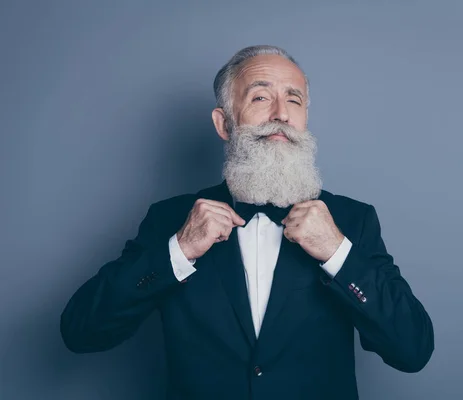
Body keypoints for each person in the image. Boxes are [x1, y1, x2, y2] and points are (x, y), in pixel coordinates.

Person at [60, 45, 434, 400]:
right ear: (224, 124)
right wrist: (179, 249)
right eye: (260, 97)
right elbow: (81, 332)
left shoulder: (352, 220)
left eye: (294, 99)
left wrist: (338, 254)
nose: (281, 114)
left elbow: (412, 349)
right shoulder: (170, 219)